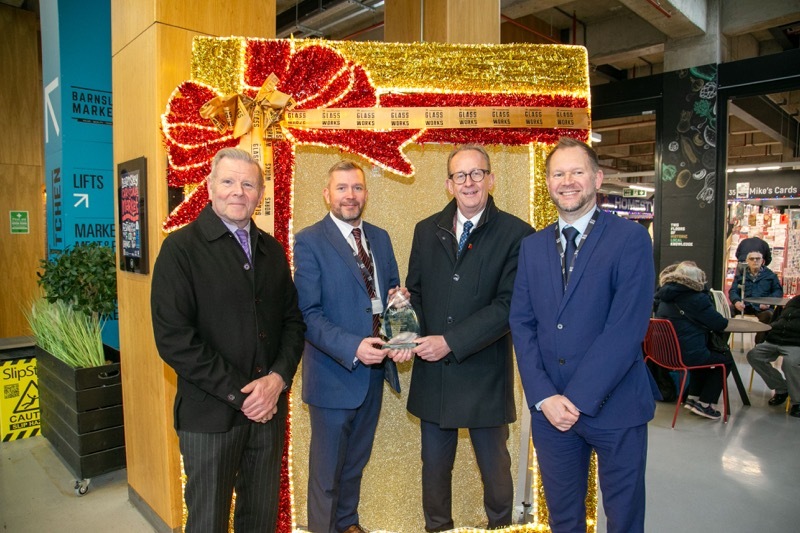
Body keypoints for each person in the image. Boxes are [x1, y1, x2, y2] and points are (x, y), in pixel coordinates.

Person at [151, 147, 306, 532]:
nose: (238, 191)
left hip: (266, 414)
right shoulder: (180, 249)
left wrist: (277, 381)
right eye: (228, 181)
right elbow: (175, 339)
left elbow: (292, 322)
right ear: (209, 187)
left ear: (259, 193)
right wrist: (243, 395)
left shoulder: (271, 249)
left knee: (260, 518)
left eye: (248, 183)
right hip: (210, 417)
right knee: (208, 522)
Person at [509, 137, 655, 533]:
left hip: (616, 406)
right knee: (563, 518)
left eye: (577, 172)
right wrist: (543, 396)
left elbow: (625, 329)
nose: (567, 181)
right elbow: (522, 324)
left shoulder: (630, 239)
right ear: (548, 182)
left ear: (597, 178)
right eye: (558, 173)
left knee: (623, 517)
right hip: (551, 412)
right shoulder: (532, 247)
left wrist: (574, 399)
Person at [406, 144, 534, 531]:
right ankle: (437, 528)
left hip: (485, 373)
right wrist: (404, 321)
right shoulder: (426, 230)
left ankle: (501, 527)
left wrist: (450, 341)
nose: (469, 182)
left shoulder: (517, 234)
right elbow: (416, 294)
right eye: (460, 176)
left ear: (491, 179)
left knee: (495, 468)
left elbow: (509, 306)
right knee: (434, 467)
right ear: (449, 185)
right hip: (435, 374)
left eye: (477, 173)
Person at [293, 160, 410, 533]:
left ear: (366, 193)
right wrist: (354, 346)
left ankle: (348, 524)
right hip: (333, 375)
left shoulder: (380, 237)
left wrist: (401, 320)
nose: (350, 195)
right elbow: (307, 314)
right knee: (326, 475)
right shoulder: (310, 240)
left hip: (374, 373)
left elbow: (390, 293)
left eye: (357, 187)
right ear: (327, 194)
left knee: (355, 464)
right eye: (341, 188)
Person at [654, 261, 732, 420]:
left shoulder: (662, 296)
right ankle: (704, 403)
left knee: (702, 357)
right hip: (686, 354)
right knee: (725, 361)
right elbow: (720, 323)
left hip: (663, 354)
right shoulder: (696, 298)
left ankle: (692, 398)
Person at [746, 294, 800, 417]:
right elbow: (779, 318)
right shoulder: (794, 300)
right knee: (754, 355)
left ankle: (798, 401)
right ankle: (781, 388)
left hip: (796, 343)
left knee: (790, 363)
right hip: (775, 339)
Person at [728, 250, 783, 341]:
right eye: (752, 259)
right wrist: (736, 301)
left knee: (769, 315)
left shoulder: (771, 276)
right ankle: (722, 343)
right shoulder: (741, 275)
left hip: (762, 307)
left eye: (757, 259)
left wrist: (768, 303)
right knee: (727, 311)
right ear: (747, 261)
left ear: (762, 261)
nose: (755, 261)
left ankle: (759, 344)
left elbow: (778, 292)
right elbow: (733, 291)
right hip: (744, 305)